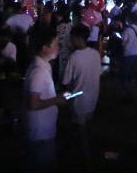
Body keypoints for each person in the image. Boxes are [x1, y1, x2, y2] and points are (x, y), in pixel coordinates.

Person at [21, 28, 68, 167]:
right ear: (45, 48)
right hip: (40, 131)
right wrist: (57, 100)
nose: (58, 48)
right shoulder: (39, 72)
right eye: (55, 44)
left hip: (42, 128)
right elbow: (33, 104)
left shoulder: (43, 67)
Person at [60, 23, 100, 163]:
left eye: (71, 39)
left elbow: (65, 82)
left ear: (77, 39)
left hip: (79, 101)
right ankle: (68, 148)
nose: (70, 42)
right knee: (79, 125)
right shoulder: (95, 53)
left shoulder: (74, 57)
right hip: (93, 97)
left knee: (82, 133)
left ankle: (86, 160)